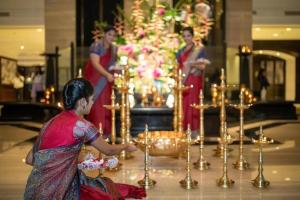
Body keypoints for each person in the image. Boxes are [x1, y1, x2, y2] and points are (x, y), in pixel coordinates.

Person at [24, 78, 146, 200]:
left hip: (34, 192)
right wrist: (125, 146)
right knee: (104, 191)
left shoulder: (49, 123)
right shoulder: (82, 126)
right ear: (83, 101)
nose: (93, 103)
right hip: (61, 192)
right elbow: (108, 150)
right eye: (92, 99)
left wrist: (68, 160)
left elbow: (30, 159)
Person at [84, 25, 117, 137]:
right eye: (109, 34)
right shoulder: (96, 46)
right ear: (104, 34)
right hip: (96, 79)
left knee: (107, 105)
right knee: (96, 105)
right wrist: (107, 74)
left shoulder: (113, 49)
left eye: (113, 35)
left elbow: (112, 65)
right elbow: (95, 64)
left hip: (107, 82)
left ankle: (107, 134)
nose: (111, 37)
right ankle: (94, 134)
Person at [176, 26, 209, 135]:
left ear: (192, 36)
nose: (186, 38)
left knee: (193, 104)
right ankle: (184, 131)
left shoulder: (199, 49)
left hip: (194, 79)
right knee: (183, 105)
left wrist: (192, 64)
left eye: (188, 36)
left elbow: (203, 66)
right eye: (184, 36)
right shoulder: (180, 51)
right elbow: (179, 66)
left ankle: (195, 132)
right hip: (183, 80)